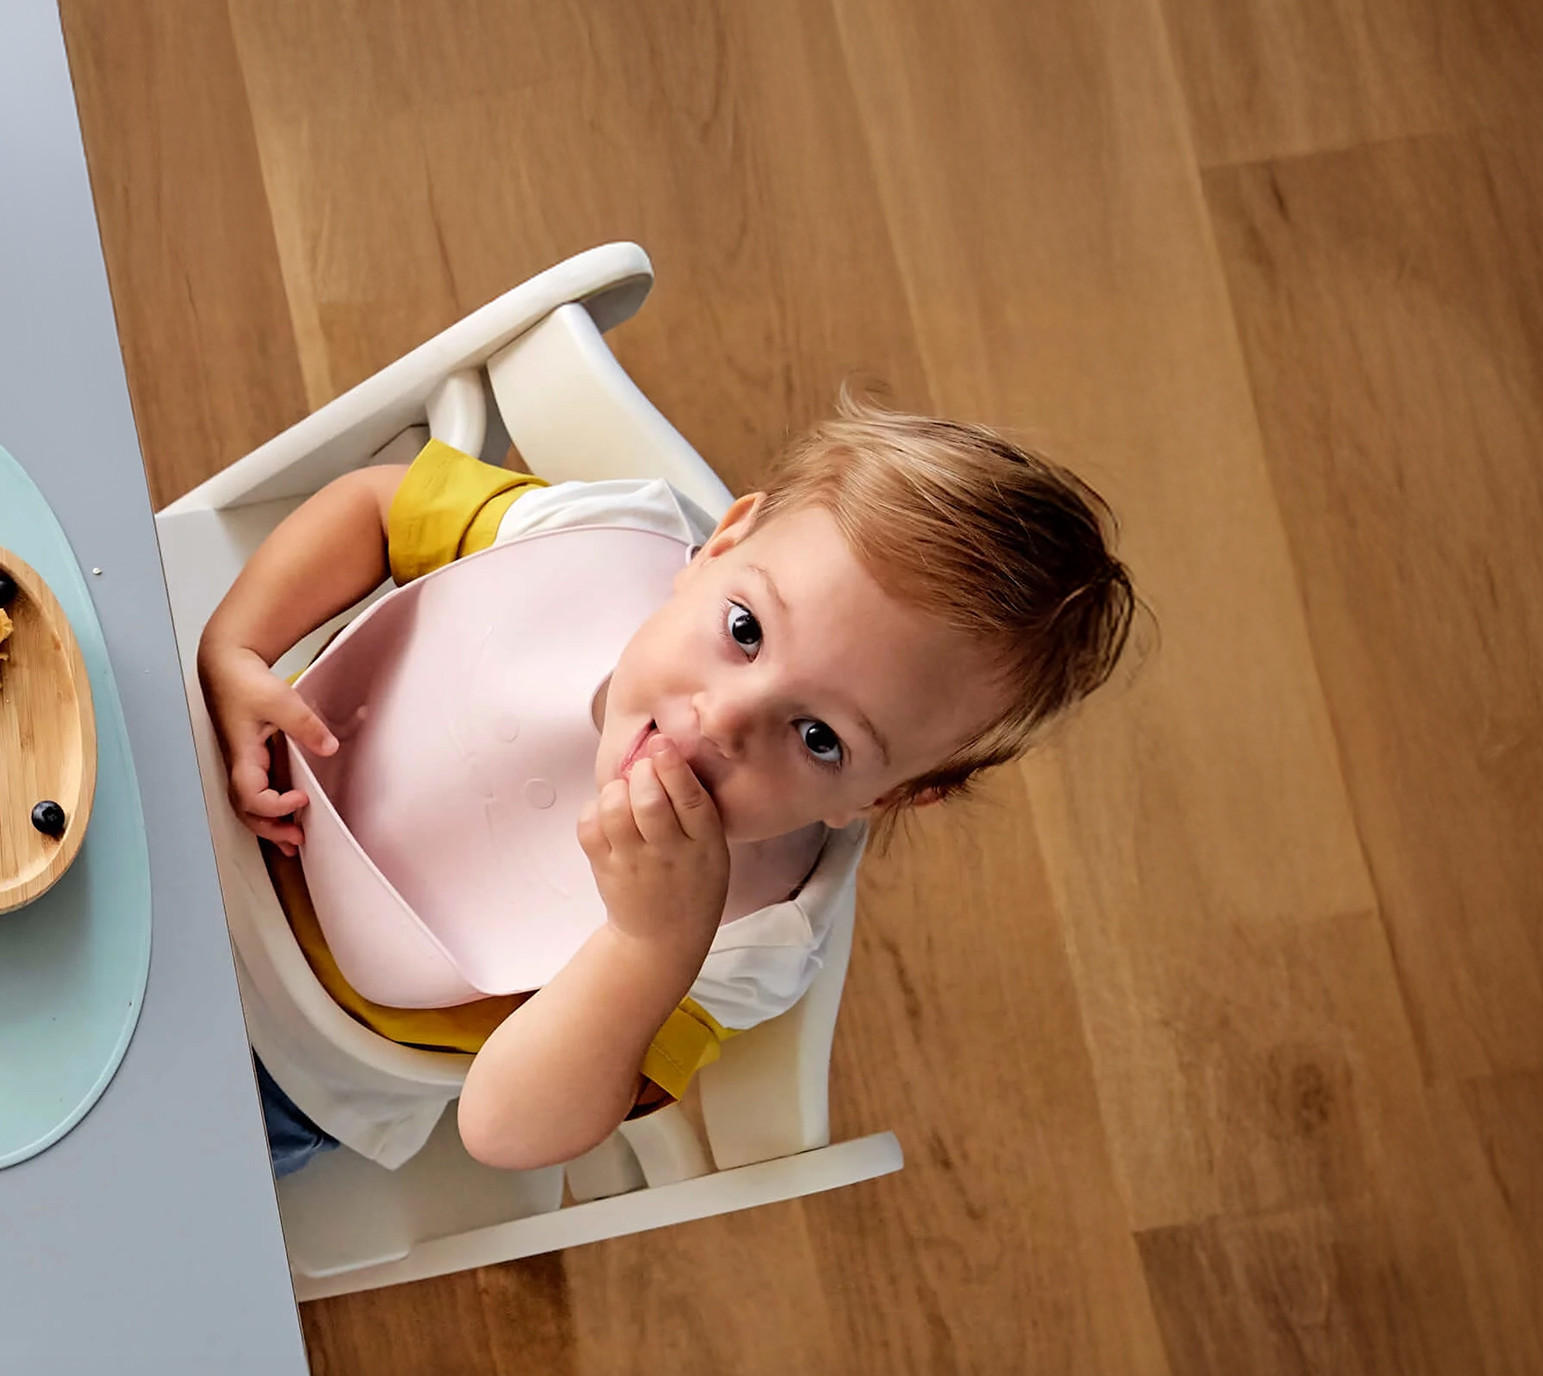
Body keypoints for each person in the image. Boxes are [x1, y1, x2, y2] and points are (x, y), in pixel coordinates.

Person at [199, 394, 1139, 1174]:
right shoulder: (599, 537)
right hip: (198, 786)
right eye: (745, 631)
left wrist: (652, 944)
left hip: (289, 1063)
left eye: (819, 737)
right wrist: (239, 646)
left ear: (882, 798)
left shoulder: (756, 942)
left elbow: (507, 1129)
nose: (726, 719)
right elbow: (377, 508)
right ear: (723, 543)